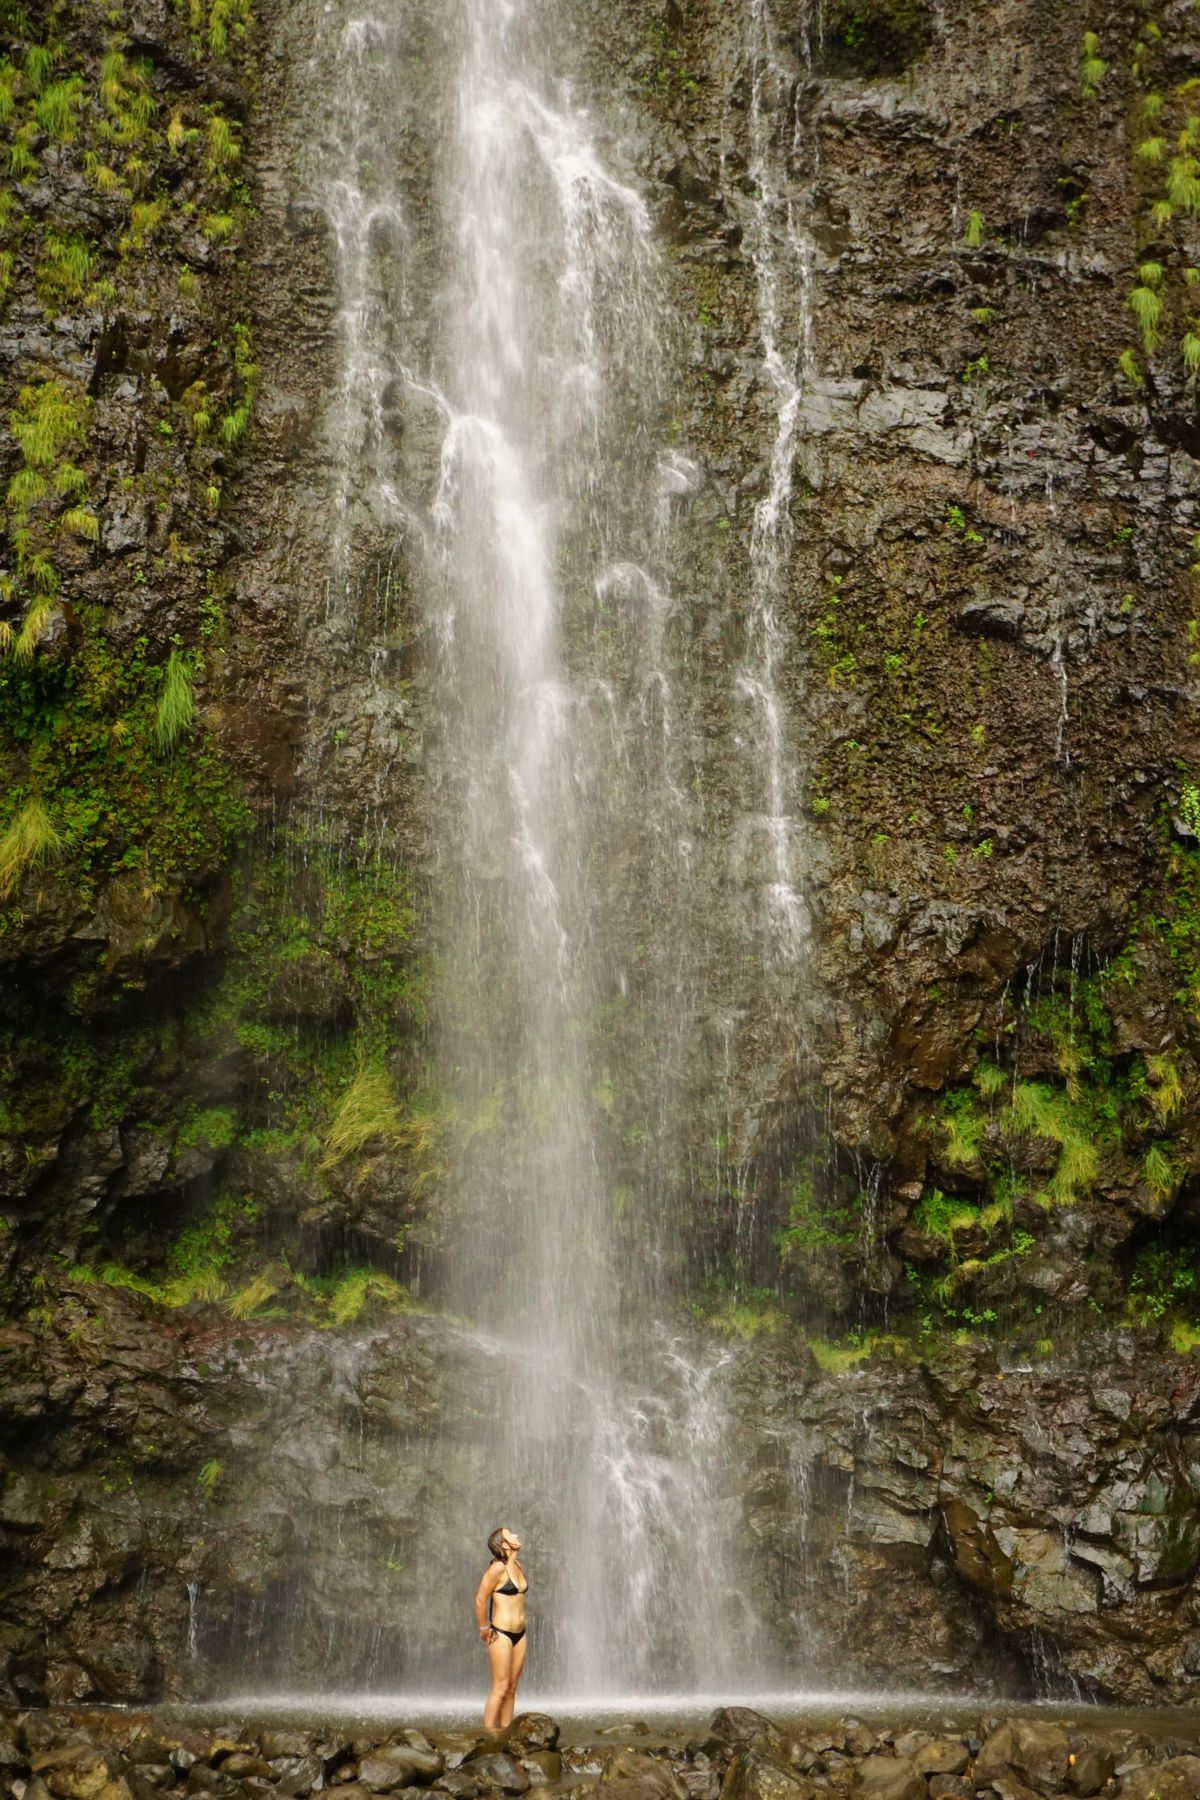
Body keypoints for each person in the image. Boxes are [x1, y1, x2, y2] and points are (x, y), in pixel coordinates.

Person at [474, 1524, 527, 1728]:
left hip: (520, 1634)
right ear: (504, 1545)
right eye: (510, 1534)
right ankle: (489, 1736)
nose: (516, 1534)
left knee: (512, 1687)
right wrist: (484, 1628)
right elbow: (480, 1600)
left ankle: (505, 1732)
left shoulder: (518, 1567)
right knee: (500, 1687)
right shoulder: (497, 1568)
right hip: (501, 1634)